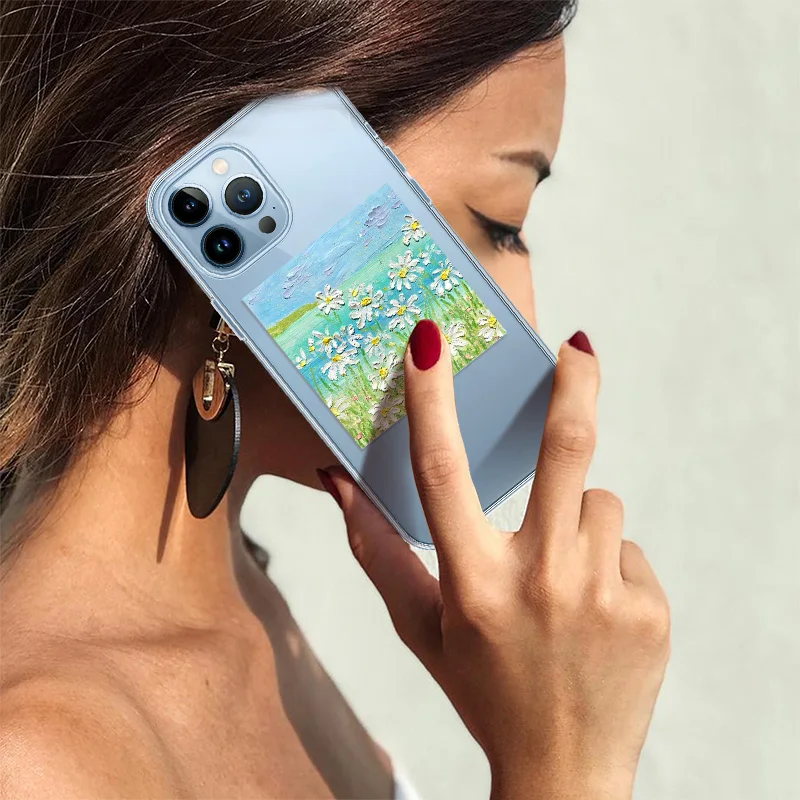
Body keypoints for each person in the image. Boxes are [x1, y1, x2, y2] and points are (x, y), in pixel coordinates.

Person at [0, 2, 670, 798]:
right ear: (237, 169)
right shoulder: (32, 760)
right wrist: (564, 762)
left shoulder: (246, 601)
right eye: (501, 222)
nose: (523, 315)